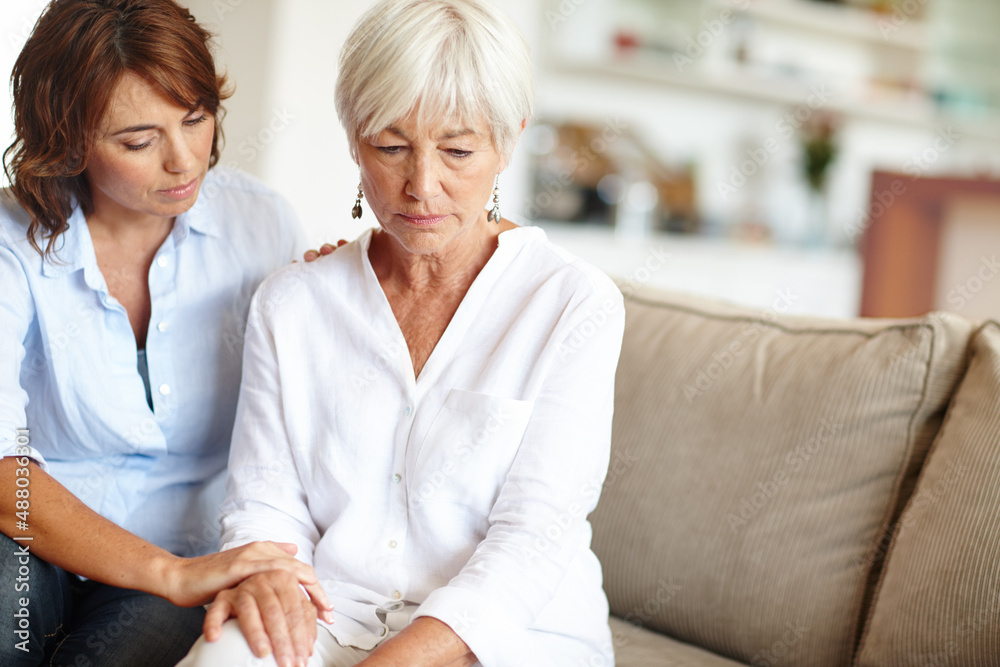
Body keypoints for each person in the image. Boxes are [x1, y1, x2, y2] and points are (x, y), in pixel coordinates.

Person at [178, 0, 625, 665]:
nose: (421, 185)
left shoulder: (571, 303)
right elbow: (264, 502)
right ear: (354, 140)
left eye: (458, 149)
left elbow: (533, 537)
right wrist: (270, 578)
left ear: (508, 141)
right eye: (390, 146)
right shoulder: (292, 303)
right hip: (331, 609)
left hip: (506, 634)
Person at [0, 2, 332, 666]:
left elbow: (309, 410)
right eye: (138, 140)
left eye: (196, 119)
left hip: (196, 544)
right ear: (68, 140)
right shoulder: (11, 241)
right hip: (38, 539)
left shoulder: (260, 224)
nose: (183, 161)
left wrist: (340, 303)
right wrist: (167, 573)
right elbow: (8, 474)